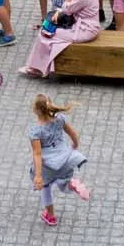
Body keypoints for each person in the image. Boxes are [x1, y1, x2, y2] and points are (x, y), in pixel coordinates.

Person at [23, 0, 104, 78]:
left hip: (83, 30)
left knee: (47, 33)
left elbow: (67, 9)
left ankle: (39, 68)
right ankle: (40, 66)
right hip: (86, 28)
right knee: (48, 31)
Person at [28, 94, 90, 226]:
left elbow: (37, 154)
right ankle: (72, 184)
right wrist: (75, 144)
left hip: (48, 166)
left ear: (36, 110)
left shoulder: (35, 131)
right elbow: (73, 133)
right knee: (64, 183)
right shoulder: (60, 118)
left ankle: (50, 216)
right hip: (65, 159)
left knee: (46, 188)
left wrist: (38, 176)